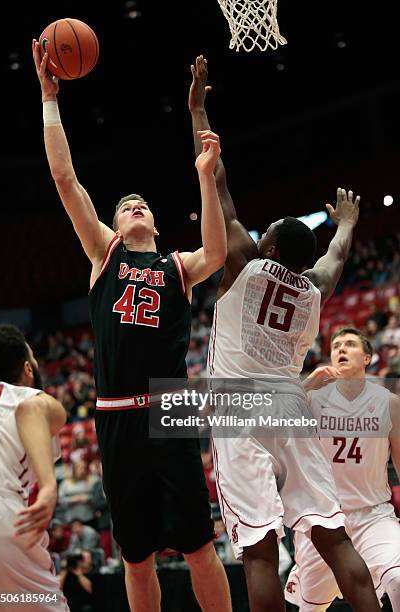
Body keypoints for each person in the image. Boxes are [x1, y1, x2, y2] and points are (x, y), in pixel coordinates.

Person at [33, 40, 231, 612]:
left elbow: (216, 251)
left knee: (198, 547)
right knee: (137, 558)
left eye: (143, 202)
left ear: (157, 220)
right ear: (115, 223)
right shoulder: (105, 253)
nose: (136, 205)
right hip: (117, 412)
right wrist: (50, 100)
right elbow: (66, 178)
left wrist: (206, 175)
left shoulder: (177, 266)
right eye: (126, 204)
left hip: (168, 411)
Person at [189, 54, 381, 612]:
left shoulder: (241, 262)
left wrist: (198, 106)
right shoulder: (315, 287)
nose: (261, 228)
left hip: (238, 405)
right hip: (290, 404)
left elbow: (216, 179)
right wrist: (344, 222)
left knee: (258, 550)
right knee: (333, 536)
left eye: (267, 229)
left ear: (268, 245)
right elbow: (336, 255)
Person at [285, 326, 400, 611]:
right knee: (311, 607)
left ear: (368, 358)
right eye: (336, 346)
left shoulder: (389, 404)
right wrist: (307, 384)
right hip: (325, 519)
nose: (341, 349)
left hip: (373, 514)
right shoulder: (311, 401)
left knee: (398, 578)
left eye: (350, 344)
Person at [0, 324, 69, 611]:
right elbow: (31, 409)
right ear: (27, 369)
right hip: (1, 520)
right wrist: (49, 487)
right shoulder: (25, 398)